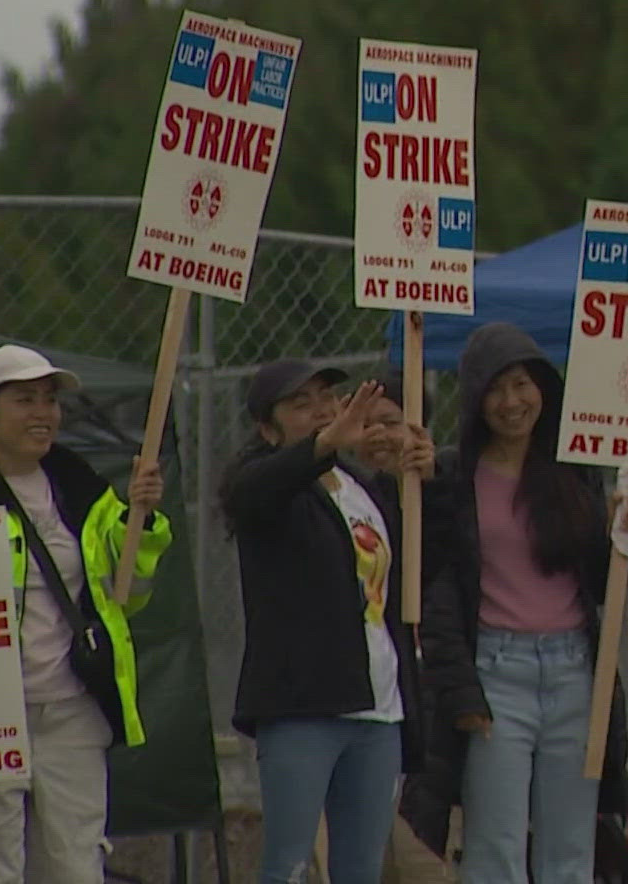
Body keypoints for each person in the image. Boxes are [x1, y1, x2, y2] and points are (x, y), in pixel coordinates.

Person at [0, 344, 171, 884]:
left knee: (76, 868)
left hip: (71, 715)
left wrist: (145, 520)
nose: (44, 413)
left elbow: (129, 595)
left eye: (50, 400)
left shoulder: (88, 491)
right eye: (25, 400)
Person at [418, 322, 628, 883]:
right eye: (496, 389)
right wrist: (459, 689)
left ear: (544, 389)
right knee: (495, 847)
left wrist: (625, 534)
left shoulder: (573, 471)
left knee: (570, 851)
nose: (512, 402)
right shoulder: (452, 474)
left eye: (522, 384)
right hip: (495, 675)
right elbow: (437, 588)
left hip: (575, 673)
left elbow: (605, 580)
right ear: (475, 400)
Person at [221, 359, 436, 884]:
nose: (320, 411)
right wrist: (318, 448)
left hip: (379, 707)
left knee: (361, 868)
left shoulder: (363, 488)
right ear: (268, 428)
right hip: (304, 705)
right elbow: (254, 493)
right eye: (300, 404)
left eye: (326, 398)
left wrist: (430, 479)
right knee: (290, 864)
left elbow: (423, 563)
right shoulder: (264, 486)